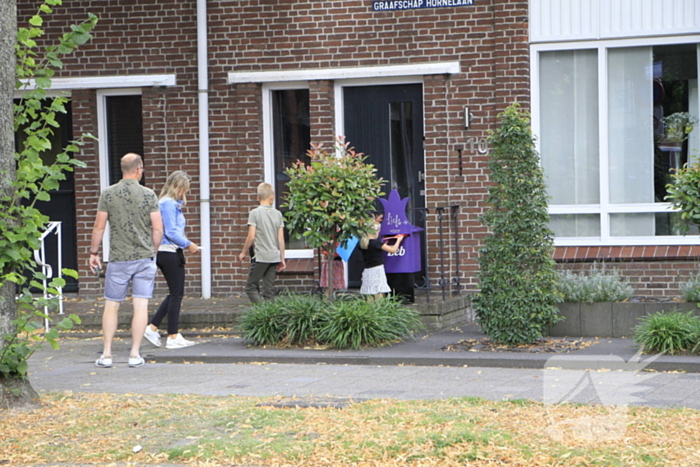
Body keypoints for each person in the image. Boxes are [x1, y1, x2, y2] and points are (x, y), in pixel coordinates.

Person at [88, 153, 163, 368]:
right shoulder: (149, 195)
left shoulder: (108, 194)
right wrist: (153, 251)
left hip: (118, 258)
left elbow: (99, 226)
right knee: (140, 305)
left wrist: (94, 253)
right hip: (144, 257)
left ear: (123, 170)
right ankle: (134, 354)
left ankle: (107, 354)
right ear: (139, 170)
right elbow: (158, 229)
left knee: (112, 305)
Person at [143, 171, 200, 350]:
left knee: (175, 292)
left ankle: (153, 327)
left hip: (167, 251)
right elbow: (171, 231)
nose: (185, 193)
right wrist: (189, 244)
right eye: (185, 189)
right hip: (169, 251)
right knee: (176, 293)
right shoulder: (168, 204)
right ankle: (172, 335)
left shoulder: (168, 203)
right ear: (179, 187)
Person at [238, 182, 286, 303]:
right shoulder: (278, 214)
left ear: (257, 197)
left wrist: (243, 252)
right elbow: (280, 238)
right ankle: (271, 317)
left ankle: (262, 311)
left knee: (250, 287)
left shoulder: (255, 213)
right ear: (272, 197)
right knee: (268, 290)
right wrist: (282, 258)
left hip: (261, 256)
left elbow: (251, 236)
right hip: (274, 256)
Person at [359, 223, 404, 299]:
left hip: (367, 271)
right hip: (377, 270)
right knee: (379, 292)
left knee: (370, 293)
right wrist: (399, 240)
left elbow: (374, 250)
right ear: (375, 231)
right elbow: (393, 250)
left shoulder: (363, 243)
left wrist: (384, 244)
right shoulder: (377, 243)